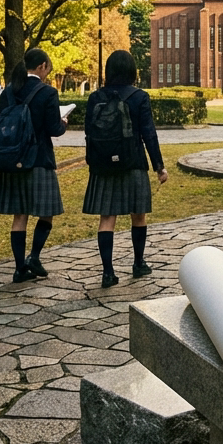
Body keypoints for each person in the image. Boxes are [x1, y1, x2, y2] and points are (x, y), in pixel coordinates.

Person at [84, 50, 168, 287]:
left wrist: (93, 162)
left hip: (103, 166)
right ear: (132, 71)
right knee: (137, 215)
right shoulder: (139, 97)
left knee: (107, 218)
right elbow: (149, 134)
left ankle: (108, 272)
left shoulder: (95, 97)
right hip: (133, 163)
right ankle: (139, 263)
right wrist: (159, 166)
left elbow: (89, 134)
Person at [0, 48, 68, 282]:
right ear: (42, 66)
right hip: (39, 160)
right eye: (48, 70)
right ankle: (34, 256)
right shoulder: (47, 92)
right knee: (47, 213)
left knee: (20, 216)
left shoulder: (9, 91)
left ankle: (19, 269)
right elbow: (54, 129)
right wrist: (63, 122)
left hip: (12, 158)